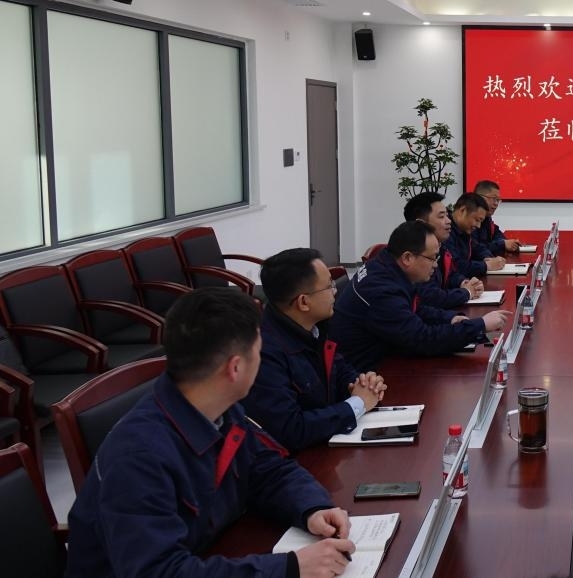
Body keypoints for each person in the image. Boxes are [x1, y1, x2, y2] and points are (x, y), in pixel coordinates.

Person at [66, 288, 355, 578]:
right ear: (235, 368)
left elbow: (267, 469)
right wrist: (289, 568)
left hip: (210, 553)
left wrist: (311, 508)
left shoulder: (219, 409)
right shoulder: (138, 458)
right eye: (259, 352)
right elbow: (159, 572)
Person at [243, 248, 388, 452]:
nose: (335, 291)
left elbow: (339, 369)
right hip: (296, 458)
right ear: (304, 302)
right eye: (329, 286)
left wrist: (364, 383)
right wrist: (357, 403)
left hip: (325, 443)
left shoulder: (315, 327)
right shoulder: (264, 353)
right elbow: (291, 429)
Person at [330, 220, 508, 371]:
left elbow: (413, 309)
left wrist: (450, 318)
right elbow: (423, 339)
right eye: (432, 258)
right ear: (407, 258)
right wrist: (480, 325)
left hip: (386, 357)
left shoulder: (387, 267)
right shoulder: (382, 290)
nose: (436, 265)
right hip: (367, 374)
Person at [403, 191, 484, 309]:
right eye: (441, 216)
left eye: (447, 215)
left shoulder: (438, 245)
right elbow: (430, 297)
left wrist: (463, 282)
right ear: (421, 224)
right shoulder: (414, 254)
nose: (449, 220)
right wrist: (467, 293)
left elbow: (450, 274)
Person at [446, 192, 507, 278]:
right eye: (477, 220)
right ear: (463, 210)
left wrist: (489, 258)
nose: (478, 226)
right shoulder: (446, 231)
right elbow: (455, 266)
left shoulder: (464, 229)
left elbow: (477, 247)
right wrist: (486, 266)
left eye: (481, 221)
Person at [472, 180, 521, 255]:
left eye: (498, 200)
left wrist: (506, 243)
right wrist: (502, 244)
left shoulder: (487, 217)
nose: (496, 204)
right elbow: (475, 249)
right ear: (480, 198)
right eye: (494, 199)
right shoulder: (470, 219)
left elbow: (496, 234)